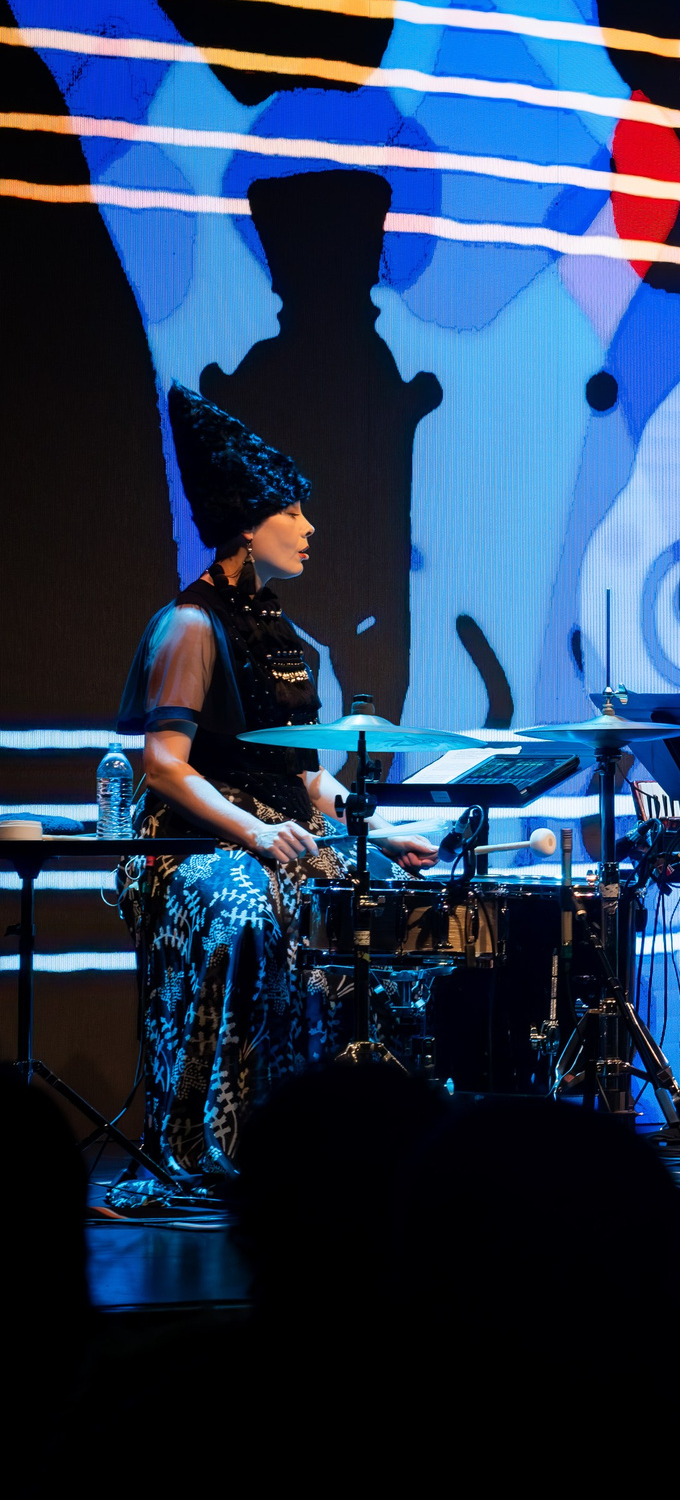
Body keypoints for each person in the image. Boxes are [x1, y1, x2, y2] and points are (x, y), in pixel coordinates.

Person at [109, 388, 433, 1200]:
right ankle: (222, 1137)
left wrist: (374, 830)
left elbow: (304, 774)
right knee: (250, 904)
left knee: (377, 887)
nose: (310, 526)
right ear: (250, 523)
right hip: (184, 843)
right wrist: (251, 838)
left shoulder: (280, 632)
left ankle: (355, 1129)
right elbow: (164, 766)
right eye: (294, 511)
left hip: (274, 831)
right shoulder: (191, 624)